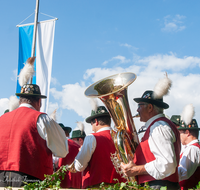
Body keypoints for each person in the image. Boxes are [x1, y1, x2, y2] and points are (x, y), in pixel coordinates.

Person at [0, 57, 68, 187]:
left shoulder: (1, 119)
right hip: (30, 179)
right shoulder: (42, 118)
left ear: (20, 101)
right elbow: (62, 150)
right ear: (39, 102)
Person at [121, 88, 181, 189]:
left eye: (139, 106)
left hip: (159, 185)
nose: (137, 110)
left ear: (150, 107)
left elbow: (167, 164)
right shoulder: (158, 125)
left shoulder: (158, 127)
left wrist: (136, 170)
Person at [74, 106, 126, 189]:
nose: (92, 127)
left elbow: (79, 167)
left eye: (91, 123)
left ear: (96, 121)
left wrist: (80, 152)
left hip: (97, 186)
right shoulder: (121, 136)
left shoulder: (91, 137)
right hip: (121, 186)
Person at [176, 105, 200, 190]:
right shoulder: (193, 148)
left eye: (180, 133)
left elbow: (183, 172)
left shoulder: (192, 149)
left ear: (187, 132)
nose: (179, 136)